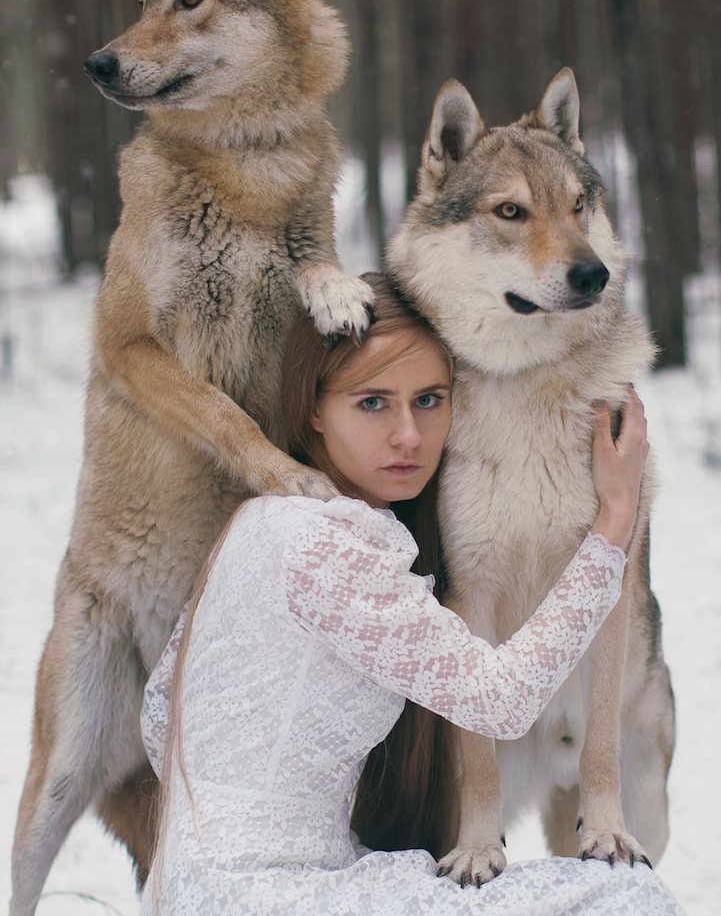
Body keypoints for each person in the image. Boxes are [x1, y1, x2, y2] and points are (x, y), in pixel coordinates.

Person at [140, 273, 684, 915]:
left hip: (200, 890)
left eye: (429, 400)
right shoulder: (323, 544)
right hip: (277, 898)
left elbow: (159, 713)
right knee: (627, 902)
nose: (408, 435)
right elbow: (500, 701)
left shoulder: (263, 519)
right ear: (313, 407)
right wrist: (615, 520)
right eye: (373, 403)